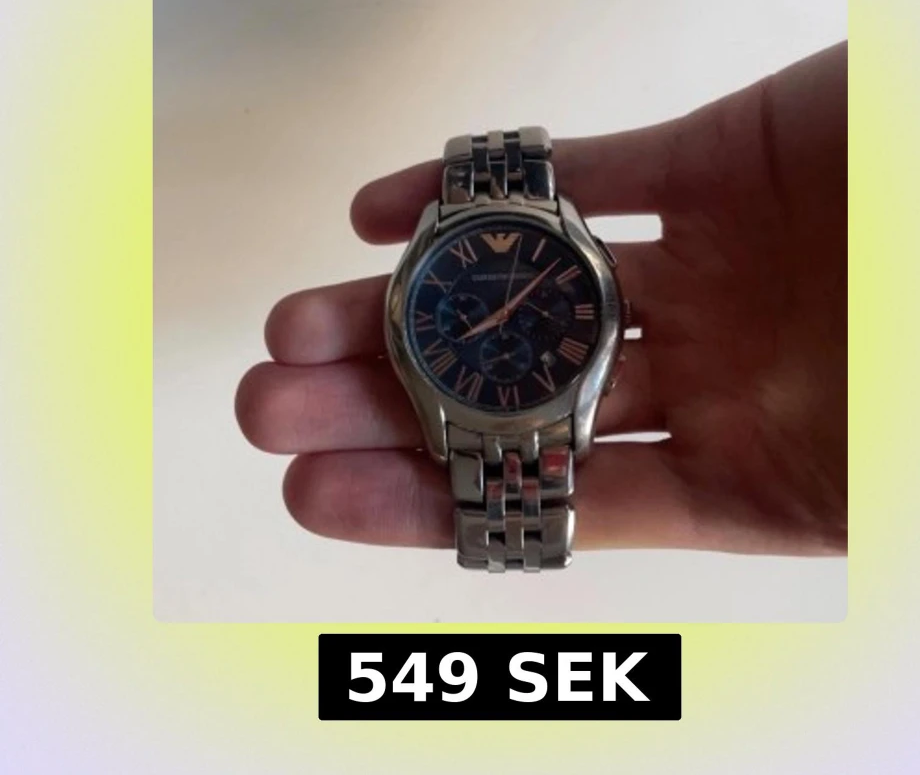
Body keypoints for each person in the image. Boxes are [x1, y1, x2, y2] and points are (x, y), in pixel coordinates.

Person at [236, 42, 846, 556]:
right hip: (475, 404)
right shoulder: (442, 280)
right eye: (496, 313)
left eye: (513, 311)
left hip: (530, 401)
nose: (503, 316)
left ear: (614, 313)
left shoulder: (568, 279)